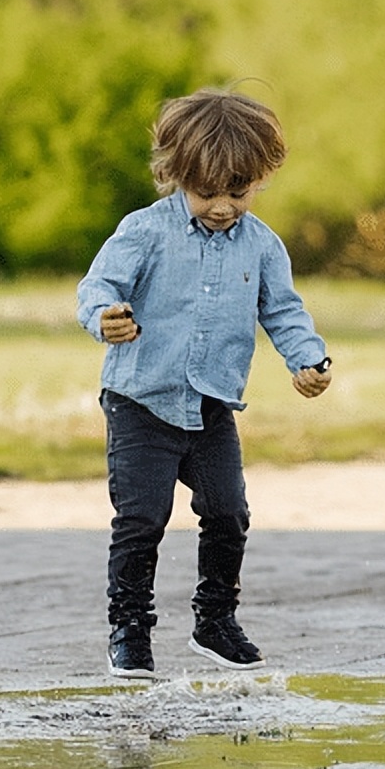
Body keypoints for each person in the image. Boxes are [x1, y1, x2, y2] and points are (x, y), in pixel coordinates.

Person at [76, 87, 332, 679]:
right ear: (175, 174)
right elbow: (97, 287)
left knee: (228, 511)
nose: (222, 206)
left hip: (213, 404)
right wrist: (105, 316)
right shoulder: (144, 231)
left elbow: (283, 311)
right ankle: (130, 630)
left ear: (258, 180)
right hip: (141, 401)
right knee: (142, 517)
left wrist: (309, 360)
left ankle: (215, 621)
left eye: (237, 192)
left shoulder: (263, 245)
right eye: (207, 191)